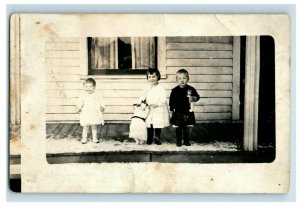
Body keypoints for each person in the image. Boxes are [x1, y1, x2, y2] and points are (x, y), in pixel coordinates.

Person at [169, 69, 200, 147]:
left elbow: (197, 97)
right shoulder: (174, 90)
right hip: (178, 112)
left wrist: (193, 98)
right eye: (179, 78)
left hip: (188, 111)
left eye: (184, 78)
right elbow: (171, 101)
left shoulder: (191, 89)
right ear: (177, 80)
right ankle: (178, 141)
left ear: (188, 79)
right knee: (178, 127)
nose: (182, 80)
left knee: (186, 127)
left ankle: (186, 140)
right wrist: (171, 110)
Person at [140, 68, 170, 145]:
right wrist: (143, 102)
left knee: (157, 124)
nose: (152, 79)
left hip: (158, 108)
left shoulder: (160, 88)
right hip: (149, 108)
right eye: (149, 77)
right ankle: (149, 138)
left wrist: (156, 104)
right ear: (147, 78)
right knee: (149, 124)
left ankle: (157, 138)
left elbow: (163, 99)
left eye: (154, 76)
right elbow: (142, 96)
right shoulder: (146, 87)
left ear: (158, 77)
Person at [76, 78, 105, 144]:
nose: (88, 88)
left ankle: (95, 138)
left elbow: (101, 101)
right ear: (83, 87)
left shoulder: (97, 94)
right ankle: (84, 139)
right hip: (86, 113)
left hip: (93, 113)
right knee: (85, 127)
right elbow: (80, 103)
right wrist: (79, 107)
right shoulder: (82, 95)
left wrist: (102, 107)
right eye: (86, 86)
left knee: (94, 126)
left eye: (90, 86)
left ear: (94, 87)